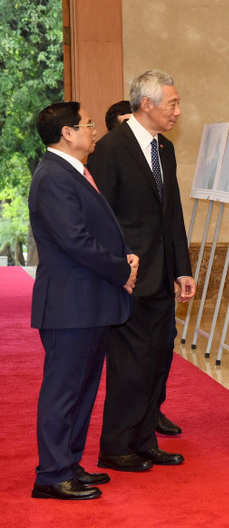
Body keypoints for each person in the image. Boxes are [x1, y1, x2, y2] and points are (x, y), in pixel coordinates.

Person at [88, 69, 196, 471]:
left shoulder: (163, 148)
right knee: (129, 366)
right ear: (146, 104)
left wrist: (181, 268)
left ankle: (145, 438)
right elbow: (100, 217)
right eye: (172, 103)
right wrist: (118, 269)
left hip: (162, 277)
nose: (178, 111)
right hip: (128, 279)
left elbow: (172, 216)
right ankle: (115, 447)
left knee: (156, 362)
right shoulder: (111, 148)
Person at [29, 102, 138, 499]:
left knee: (82, 389)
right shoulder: (54, 177)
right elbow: (75, 241)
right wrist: (122, 270)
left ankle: (70, 463)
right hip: (70, 304)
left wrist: (122, 257)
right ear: (68, 134)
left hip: (89, 301)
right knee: (63, 391)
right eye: (88, 125)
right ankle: (52, 474)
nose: (94, 130)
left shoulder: (73, 171)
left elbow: (94, 230)